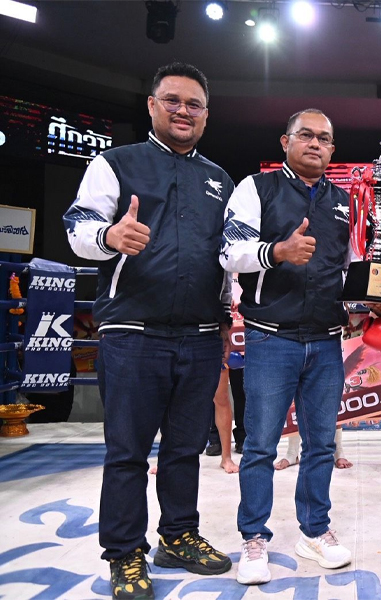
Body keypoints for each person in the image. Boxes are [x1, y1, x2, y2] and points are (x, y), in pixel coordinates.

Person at [63, 61, 233, 599]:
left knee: (185, 448)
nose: (184, 111)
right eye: (173, 101)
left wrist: (226, 317)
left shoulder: (219, 179)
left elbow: (225, 260)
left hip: (200, 334)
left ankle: (178, 536)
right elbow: (77, 227)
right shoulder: (115, 163)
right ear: (152, 105)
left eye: (194, 104)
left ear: (206, 115)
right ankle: (124, 552)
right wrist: (110, 236)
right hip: (132, 332)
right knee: (128, 451)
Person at [221, 109, 355, 584]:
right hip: (270, 336)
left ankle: (314, 530)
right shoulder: (255, 188)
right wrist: (277, 251)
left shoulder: (345, 201)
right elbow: (229, 252)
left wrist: (371, 298)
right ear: (285, 141)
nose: (315, 144)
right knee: (260, 444)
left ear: (332, 149)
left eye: (324, 138)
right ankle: (253, 537)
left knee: (321, 444)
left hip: (326, 339)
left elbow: (350, 266)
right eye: (306, 135)